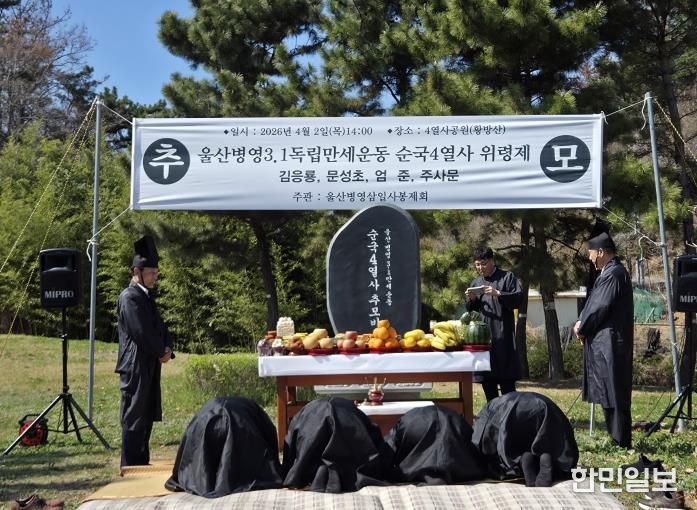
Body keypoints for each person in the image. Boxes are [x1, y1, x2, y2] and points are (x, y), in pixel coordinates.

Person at [115, 235, 174, 466]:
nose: (155, 277)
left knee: (146, 415)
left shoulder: (146, 297)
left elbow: (160, 327)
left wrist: (167, 347)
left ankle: (141, 464)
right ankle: (130, 465)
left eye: (156, 273)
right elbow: (141, 332)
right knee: (134, 415)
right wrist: (160, 351)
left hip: (148, 363)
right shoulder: (129, 297)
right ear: (137, 271)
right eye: (151, 273)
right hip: (135, 366)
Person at [573, 229, 634, 448]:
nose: (589, 258)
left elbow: (600, 307)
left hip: (610, 343)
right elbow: (593, 304)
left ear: (600, 252)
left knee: (614, 392)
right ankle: (617, 438)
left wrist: (582, 327)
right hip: (605, 342)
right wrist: (581, 321)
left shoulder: (613, 274)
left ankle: (621, 441)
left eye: (590, 253)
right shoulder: (609, 273)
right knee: (608, 391)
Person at [465, 246, 523, 401]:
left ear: (492, 261)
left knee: (507, 385)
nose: (480, 268)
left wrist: (499, 293)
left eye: (483, 264)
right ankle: (492, 411)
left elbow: (518, 299)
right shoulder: (476, 282)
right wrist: (471, 300)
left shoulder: (507, 277)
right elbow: (471, 309)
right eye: (477, 264)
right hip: (484, 339)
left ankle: (510, 412)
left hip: (503, 336)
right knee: (488, 383)